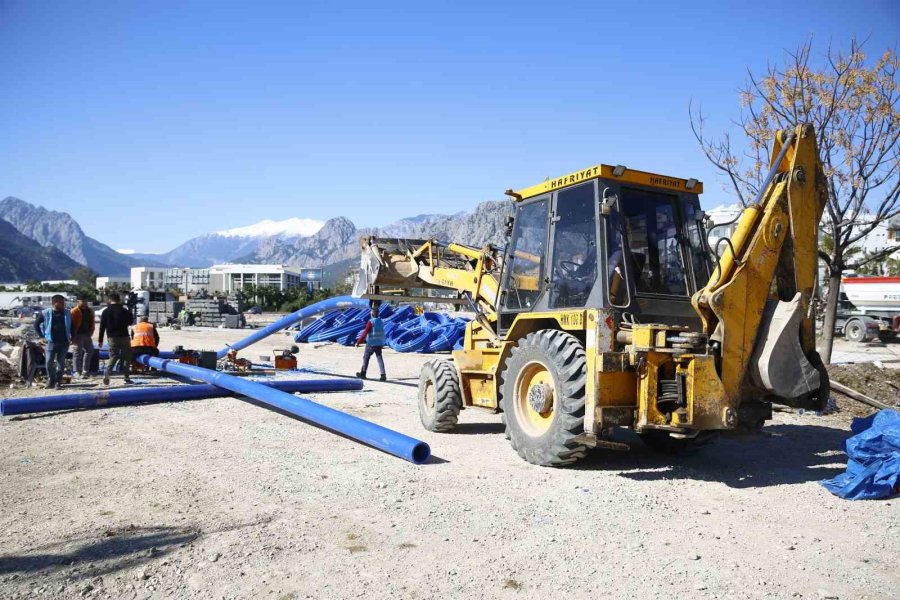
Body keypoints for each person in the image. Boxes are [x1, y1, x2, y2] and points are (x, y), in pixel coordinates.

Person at [33, 294, 72, 389]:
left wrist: (73, 337)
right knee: (49, 362)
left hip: (64, 342)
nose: (63, 304)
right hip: (50, 342)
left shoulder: (67, 313)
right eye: (61, 302)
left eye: (64, 302)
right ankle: (51, 379)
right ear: (55, 303)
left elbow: (72, 326)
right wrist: (41, 337)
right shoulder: (45, 313)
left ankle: (58, 382)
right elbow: (36, 325)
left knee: (61, 363)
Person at [98, 292, 134, 385]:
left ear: (110, 300)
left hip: (112, 337)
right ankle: (126, 377)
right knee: (126, 357)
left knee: (113, 356)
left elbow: (102, 327)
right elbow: (130, 322)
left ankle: (108, 371)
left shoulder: (105, 311)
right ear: (119, 300)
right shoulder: (124, 310)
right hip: (124, 336)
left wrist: (100, 340)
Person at [355, 307, 386, 381]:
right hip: (379, 343)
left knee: (366, 358)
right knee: (379, 358)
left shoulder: (371, 322)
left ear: (372, 314)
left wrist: (358, 342)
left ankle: (363, 374)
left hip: (371, 343)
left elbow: (365, 333)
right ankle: (383, 375)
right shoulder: (381, 321)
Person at [69, 295, 95, 378]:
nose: (85, 303)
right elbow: (70, 324)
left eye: (86, 301)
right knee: (77, 353)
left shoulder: (90, 310)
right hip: (78, 335)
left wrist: (91, 331)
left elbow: (92, 322)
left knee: (90, 351)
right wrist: (72, 336)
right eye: (83, 301)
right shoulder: (74, 311)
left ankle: (85, 370)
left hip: (87, 334)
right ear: (78, 301)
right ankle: (77, 371)